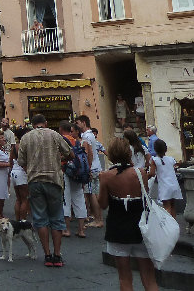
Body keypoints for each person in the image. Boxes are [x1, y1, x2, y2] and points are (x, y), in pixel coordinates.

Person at [99, 137, 159, 291]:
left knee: (124, 277)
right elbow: (145, 199)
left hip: (117, 228)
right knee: (149, 278)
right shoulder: (140, 173)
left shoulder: (105, 176)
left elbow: (103, 204)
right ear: (128, 152)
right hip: (141, 228)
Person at [17, 114, 72, 267]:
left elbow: (21, 161)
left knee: (40, 218)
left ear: (32, 125)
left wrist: (31, 168)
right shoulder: (54, 135)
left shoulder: (26, 138)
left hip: (35, 181)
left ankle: (47, 255)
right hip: (54, 180)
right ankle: (57, 255)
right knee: (56, 217)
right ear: (45, 123)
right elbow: (70, 153)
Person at [58, 122, 87, 238]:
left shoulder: (61, 140)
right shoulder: (77, 141)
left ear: (60, 129)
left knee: (66, 199)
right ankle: (81, 230)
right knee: (79, 198)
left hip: (66, 170)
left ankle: (67, 229)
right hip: (77, 172)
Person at [76, 115, 103, 228]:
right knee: (95, 193)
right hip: (97, 167)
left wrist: (88, 168)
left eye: (77, 123)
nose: (77, 125)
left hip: (91, 168)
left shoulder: (86, 137)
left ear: (83, 122)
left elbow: (88, 153)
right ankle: (98, 218)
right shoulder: (91, 134)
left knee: (92, 194)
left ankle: (98, 220)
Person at [148, 139, 182, 218]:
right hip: (174, 185)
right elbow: (173, 169)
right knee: (173, 206)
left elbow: (152, 174)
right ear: (165, 149)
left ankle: (169, 226)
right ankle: (174, 226)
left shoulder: (154, 160)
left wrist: (145, 177)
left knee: (167, 207)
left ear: (155, 149)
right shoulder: (171, 159)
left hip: (165, 187)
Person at [11, 126, 30, 221]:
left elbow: (11, 161)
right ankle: (23, 220)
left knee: (18, 198)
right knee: (24, 199)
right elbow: (24, 162)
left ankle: (18, 219)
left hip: (14, 172)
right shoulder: (23, 146)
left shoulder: (14, 146)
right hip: (22, 173)